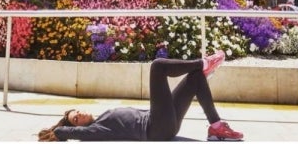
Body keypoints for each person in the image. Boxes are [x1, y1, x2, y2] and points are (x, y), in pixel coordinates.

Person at [38, 51, 244, 142]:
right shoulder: (94, 130)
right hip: (155, 129)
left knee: (195, 78)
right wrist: (60, 132)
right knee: (157, 66)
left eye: (78, 111)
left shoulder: (102, 117)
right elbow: (73, 134)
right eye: (77, 118)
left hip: (164, 122)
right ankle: (203, 63)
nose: (81, 114)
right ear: (78, 127)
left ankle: (216, 128)